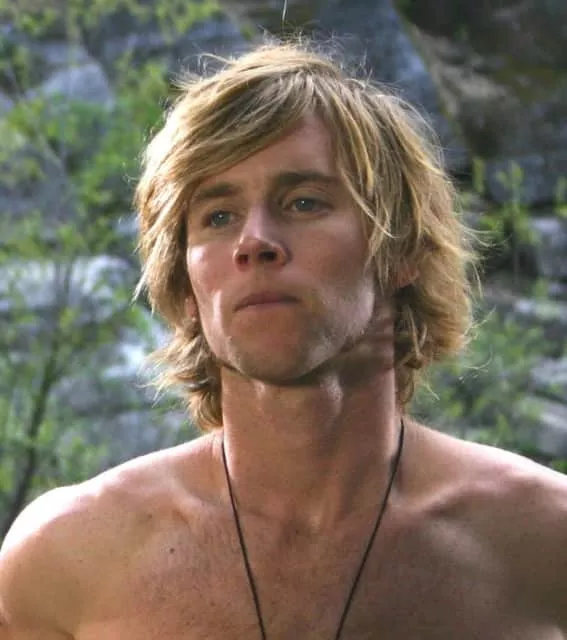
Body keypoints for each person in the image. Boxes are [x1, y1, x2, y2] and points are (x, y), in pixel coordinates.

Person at [1, 39, 566, 640]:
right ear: (186, 286)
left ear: (400, 250)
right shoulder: (67, 559)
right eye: (218, 217)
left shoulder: (542, 541)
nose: (254, 241)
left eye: (303, 202)